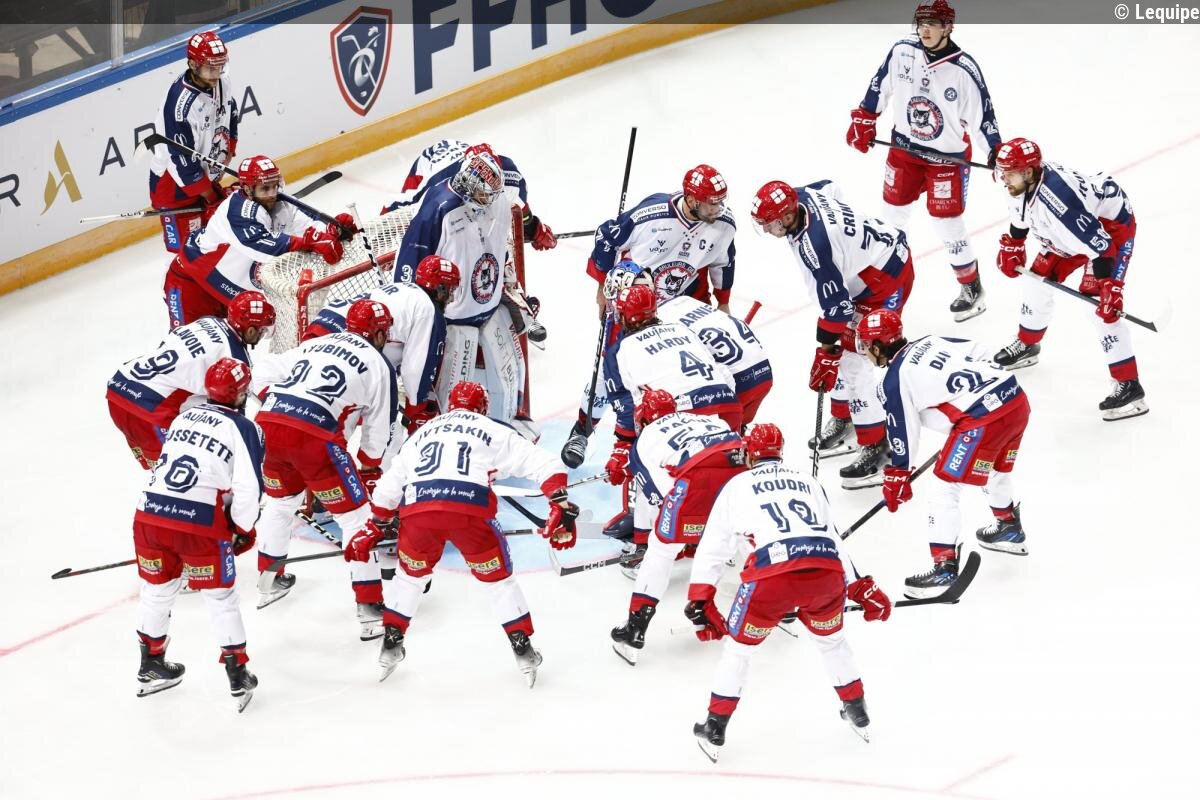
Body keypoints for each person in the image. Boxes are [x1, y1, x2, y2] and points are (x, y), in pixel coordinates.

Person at [345, 381, 580, 687]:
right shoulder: (491, 428)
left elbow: (389, 486)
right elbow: (543, 462)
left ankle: (390, 645)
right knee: (499, 583)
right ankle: (523, 651)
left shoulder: (421, 434)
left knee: (409, 579)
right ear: (482, 408)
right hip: (470, 513)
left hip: (418, 512)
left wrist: (376, 525)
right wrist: (559, 502)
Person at [686, 423, 891, 761]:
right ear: (780, 451)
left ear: (749, 453)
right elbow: (832, 537)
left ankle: (715, 726)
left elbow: (714, 547)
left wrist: (700, 596)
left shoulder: (736, 485)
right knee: (832, 643)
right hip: (825, 573)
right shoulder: (808, 481)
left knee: (738, 651)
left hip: (770, 578)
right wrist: (859, 586)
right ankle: (857, 709)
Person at [561, 166, 737, 463]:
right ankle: (582, 430)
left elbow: (725, 260)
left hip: (681, 305)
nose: (718, 208)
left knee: (683, 370)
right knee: (609, 372)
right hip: (632, 306)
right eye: (711, 203)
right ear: (692, 200)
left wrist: (723, 303)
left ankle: (680, 434)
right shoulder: (651, 215)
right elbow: (606, 237)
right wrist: (602, 288)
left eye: (721, 201)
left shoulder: (724, 224)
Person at [750, 179, 914, 489]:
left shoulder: (816, 248)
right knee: (841, 354)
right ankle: (845, 419)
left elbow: (837, 309)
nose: (767, 230)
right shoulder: (802, 196)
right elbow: (830, 187)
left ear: (788, 216)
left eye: (769, 223)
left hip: (886, 278)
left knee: (855, 361)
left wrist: (824, 353)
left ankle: (878, 446)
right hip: (870, 267)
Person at [845, 0, 1002, 322]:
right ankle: (883, 286)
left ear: (948, 27)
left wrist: (996, 152)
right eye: (921, 22)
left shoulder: (964, 70)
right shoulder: (902, 51)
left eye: (932, 23)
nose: (924, 29)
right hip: (904, 151)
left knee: (947, 223)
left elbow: (983, 118)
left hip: (946, 159)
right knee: (891, 220)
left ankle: (971, 288)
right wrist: (865, 118)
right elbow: (879, 85)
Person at [858, 310, 1031, 600]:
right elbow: (984, 352)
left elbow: (903, 431)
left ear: (877, 347)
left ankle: (944, 569)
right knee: (994, 468)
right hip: (1013, 398)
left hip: (981, 420)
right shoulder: (932, 341)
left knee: (943, 488)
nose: (864, 352)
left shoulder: (893, 380)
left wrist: (898, 474)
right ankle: (1008, 527)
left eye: (865, 346)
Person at [254, 299, 399, 638]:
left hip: (269, 426)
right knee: (357, 519)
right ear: (379, 334)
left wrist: (281, 402)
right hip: (316, 439)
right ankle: (370, 610)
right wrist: (368, 469)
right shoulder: (379, 365)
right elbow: (378, 433)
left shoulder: (319, 342)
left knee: (280, 503)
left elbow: (262, 369)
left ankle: (269, 581)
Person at [132, 357, 262, 712]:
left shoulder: (183, 416)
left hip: (149, 515)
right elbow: (249, 490)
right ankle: (237, 675)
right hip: (199, 523)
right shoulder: (243, 427)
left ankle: (151, 665)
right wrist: (242, 528)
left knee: (156, 592)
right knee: (220, 597)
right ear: (241, 394)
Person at [991, 137, 1148, 421]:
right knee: (1035, 280)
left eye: (1008, 173)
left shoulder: (1060, 205)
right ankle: (1027, 344)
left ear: (1028, 172)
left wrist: (1111, 286)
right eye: (1002, 172)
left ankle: (1130, 386)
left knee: (1098, 308)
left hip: (1109, 231)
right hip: (1076, 230)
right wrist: (1014, 243)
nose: (1003, 178)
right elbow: (1021, 211)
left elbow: (1102, 247)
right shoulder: (1020, 181)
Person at [609, 389, 746, 666]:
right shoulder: (707, 418)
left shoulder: (645, 439)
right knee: (747, 533)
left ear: (643, 419)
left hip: (695, 480)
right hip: (739, 469)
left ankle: (636, 626)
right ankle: (783, 603)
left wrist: (686, 530)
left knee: (661, 551)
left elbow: (658, 495)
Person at [391, 150, 529, 423]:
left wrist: (510, 286)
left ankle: (508, 430)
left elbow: (500, 247)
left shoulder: (497, 201)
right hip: (452, 322)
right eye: (482, 195)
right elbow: (408, 268)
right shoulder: (438, 209)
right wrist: (410, 327)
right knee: (453, 402)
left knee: (511, 382)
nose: (487, 200)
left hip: (492, 310)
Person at [165, 154, 349, 328]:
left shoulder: (280, 203)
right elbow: (261, 245)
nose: (272, 194)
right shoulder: (239, 210)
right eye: (265, 189)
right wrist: (308, 243)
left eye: (274, 186)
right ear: (247, 189)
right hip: (194, 284)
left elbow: (305, 223)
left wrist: (331, 230)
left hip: (230, 289)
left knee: (229, 346)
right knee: (190, 344)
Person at [107, 291, 275, 469]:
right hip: (148, 411)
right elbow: (232, 414)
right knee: (173, 474)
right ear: (250, 330)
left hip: (119, 386)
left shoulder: (208, 321)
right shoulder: (236, 358)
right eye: (262, 330)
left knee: (160, 470)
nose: (262, 335)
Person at [305, 255, 461, 436]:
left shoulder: (403, 288)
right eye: (450, 290)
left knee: (307, 399)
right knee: (363, 424)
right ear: (440, 288)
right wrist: (417, 408)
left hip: (322, 327)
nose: (451, 298)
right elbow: (417, 367)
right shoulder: (429, 310)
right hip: (347, 338)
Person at [148, 31, 239, 257]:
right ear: (193, 65)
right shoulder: (180, 107)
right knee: (188, 253)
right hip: (175, 188)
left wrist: (230, 148)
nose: (217, 73)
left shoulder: (221, 79)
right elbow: (182, 163)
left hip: (205, 181)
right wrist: (211, 196)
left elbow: (231, 109)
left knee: (214, 244)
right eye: (211, 68)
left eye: (220, 66)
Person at [657, 294, 773, 426]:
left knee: (720, 432)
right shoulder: (686, 300)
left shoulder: (662, 322)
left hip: (736, 383)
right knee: (739, 428)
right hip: (763, 372)